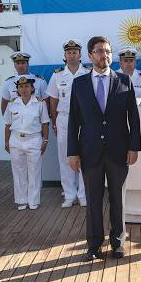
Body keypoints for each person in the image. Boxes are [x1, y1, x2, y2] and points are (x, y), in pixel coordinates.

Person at [67, 36, 141, 261]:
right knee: (93, 200)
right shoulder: (79, 84)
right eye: (99, 51)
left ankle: (117, 243)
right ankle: (94, 245)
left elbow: (134, 118)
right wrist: (73, 151)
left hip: (118, 150)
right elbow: (74, 120)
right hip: (90, 151)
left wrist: (134, 147)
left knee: (118, 199)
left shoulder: (124, 81)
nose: (104, 55)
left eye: (108, 51)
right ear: (90, 56)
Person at [46, 39, 90, 208]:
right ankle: (69, 195)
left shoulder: (87, 73)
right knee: (65, 158)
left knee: (85, 157)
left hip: (84, 120)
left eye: (75, 52)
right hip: (64, 119)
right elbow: (53, 101)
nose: (72, 55)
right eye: (69, 52)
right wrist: (55, 123)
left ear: (80, 55)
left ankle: (83, 194)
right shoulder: (57, 75)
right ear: (64, 56)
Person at [4, 77, 50, 210]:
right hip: (16, 140)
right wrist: (6, 141)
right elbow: (7, 124)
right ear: (17, 89)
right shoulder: (12, 103)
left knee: (34, 171)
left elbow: (45, 123)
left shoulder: (40, 103)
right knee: (18, 171)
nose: (24, 89)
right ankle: (21, 200)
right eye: (21, 87)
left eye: (27, 86)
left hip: (34, 139)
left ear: (32, 88)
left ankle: (33, 200)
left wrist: (45, 140)